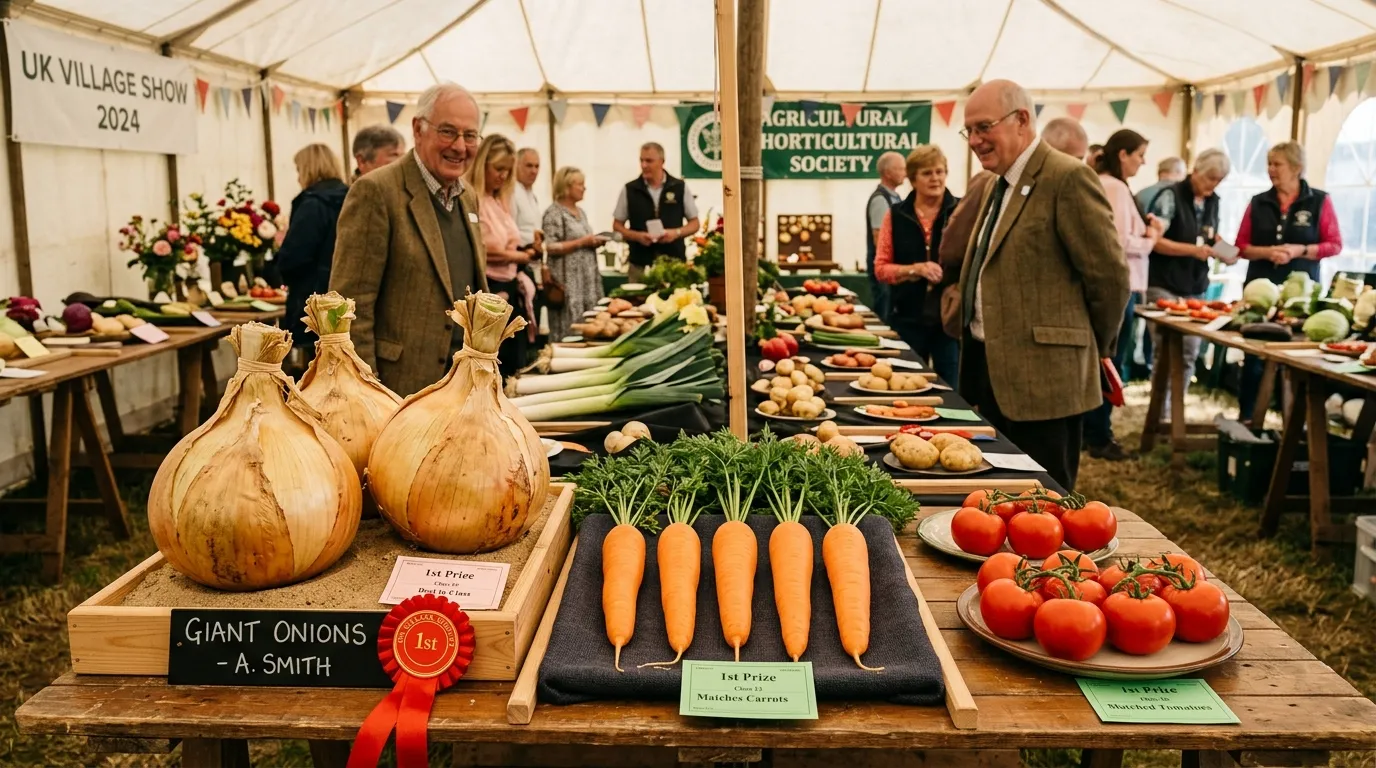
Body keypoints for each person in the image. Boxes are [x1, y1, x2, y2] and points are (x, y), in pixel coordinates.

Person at [956, 80, 1129, 491]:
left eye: (984, 127)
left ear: (1021, 120)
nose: (976, 141)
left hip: (1047, 382)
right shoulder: (997, 185)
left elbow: (1109, 278)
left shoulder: (1066, 178)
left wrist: (1088, 346)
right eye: (970, 132)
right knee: (997, 497)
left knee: (1043, 503)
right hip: (993, 375)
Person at [330, 82, 489, 398]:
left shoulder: (468, 196)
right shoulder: (376, 191)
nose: (460, 146)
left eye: (470, 136)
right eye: (447, 132)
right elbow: (349, 305)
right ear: (418, 129)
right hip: (397, 389)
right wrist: (366, 390)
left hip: (463, 386)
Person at [1236, 141, 1343, 420]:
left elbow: (1334, 245)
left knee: (1294, 361)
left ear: (1296, 168)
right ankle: (1248, 419)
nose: (1271, 169)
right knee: (1254, 357)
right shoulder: (1258, 202)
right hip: (1260, 293)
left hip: (1300, 299)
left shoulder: (1320, 201)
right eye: (1269, 163)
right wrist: (1267, 252)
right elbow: (1241, 246)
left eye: (1277, 164)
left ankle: (1291, 425)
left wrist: (1300, 250)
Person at [1084, 129, 1164, 461]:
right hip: (1121, 286)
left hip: (1116, 286)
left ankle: (1093, 432)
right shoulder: (1114, 187)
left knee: (1102, 363)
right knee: (1109, 364)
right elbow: (1115, 241)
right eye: (1140, 154)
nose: (1143, 161)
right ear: (1123, 154)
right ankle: (1099, 436)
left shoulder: (1106, 183)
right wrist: (1152, 237)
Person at [1144, 148, 1236, 415]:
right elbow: (1155, 241)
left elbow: (1209, 236)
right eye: (1210, 179)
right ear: (1196, 171)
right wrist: (1192, 250)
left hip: (1196, 286)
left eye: (1219, 181)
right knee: (1166, 351)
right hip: (1163, 283)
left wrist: (1229, 253)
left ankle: (1176, 411)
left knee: (1189, 351)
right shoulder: (1170, 197)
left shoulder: (1213, 201)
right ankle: (1159, 411)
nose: (1213, 185)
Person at [873, 146, 960, 384]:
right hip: (907, 319)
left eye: (940, 172)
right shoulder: (895, 215)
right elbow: (881, 268)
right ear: (912, 179)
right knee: (906, 389)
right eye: (927, 173)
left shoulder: (961, 211)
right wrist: (915, 269)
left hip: (949, 322)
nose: (935, 178)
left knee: (950, 393)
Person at [466, 134, 538, 378]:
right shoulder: (472, 199)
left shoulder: (498, 200)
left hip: (507, 286)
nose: (503, 176)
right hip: (490, 288)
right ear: (482, 164)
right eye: (498, 169)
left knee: (510, 363)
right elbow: (482, 249)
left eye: (507, 171)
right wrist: (518, 257)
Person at [276, 144, 350, 368]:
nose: (298, 177)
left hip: (313, 300)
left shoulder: (312, 205)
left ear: (308, 169)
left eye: (299, 170)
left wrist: (275, 270)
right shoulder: (353, 196)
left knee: (315, 371)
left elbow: (294, 257)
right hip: (346, 297)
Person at [612, 142, 701, 281]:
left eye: (649, 161)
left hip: (673, 265)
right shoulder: (630, 189)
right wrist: (637, 236)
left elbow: (695, 224)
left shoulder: (679, 187)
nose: (643, 165)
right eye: (641, 160)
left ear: (662, 162)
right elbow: (617, 226)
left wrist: (675, 233)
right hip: (639, 265)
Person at [542, 167, 609, 340]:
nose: (583, 188)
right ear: (567, 186)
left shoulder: (581, 213)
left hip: (586, 281)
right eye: (580, 184)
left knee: (589, 321)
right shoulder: (554, 213)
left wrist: (594, 242)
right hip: (568, 281)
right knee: (569, 324)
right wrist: (583, 242)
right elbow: (550, 246)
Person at [866, 151, 906, 322]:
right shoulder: (880, 200)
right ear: (888, 173)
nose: (905, 173)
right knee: (885, 313)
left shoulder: (895, 197)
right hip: (884, 268)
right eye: (901, 169)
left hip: (894, 267)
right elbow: (879, 238)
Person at [513, 147, 542, 247]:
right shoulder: (511, 193)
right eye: (529, 166)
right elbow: (508, 231)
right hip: (518, 254)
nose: (534, 171)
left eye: (537, 166)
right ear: (516, 165)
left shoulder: (532, 196)